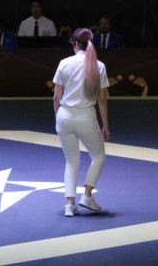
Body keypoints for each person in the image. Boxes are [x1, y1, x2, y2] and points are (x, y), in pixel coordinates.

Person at [53, 28, 111, 217]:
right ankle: (87, 195)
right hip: (86, 116)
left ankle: (70, 205)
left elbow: (56, 97)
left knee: (71, 161)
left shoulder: (64, 63)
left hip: (64, 116)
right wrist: (106, 126)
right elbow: (102, 100)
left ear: (75, 44)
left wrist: (57, 118)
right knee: (99, 156)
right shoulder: (99, 66)